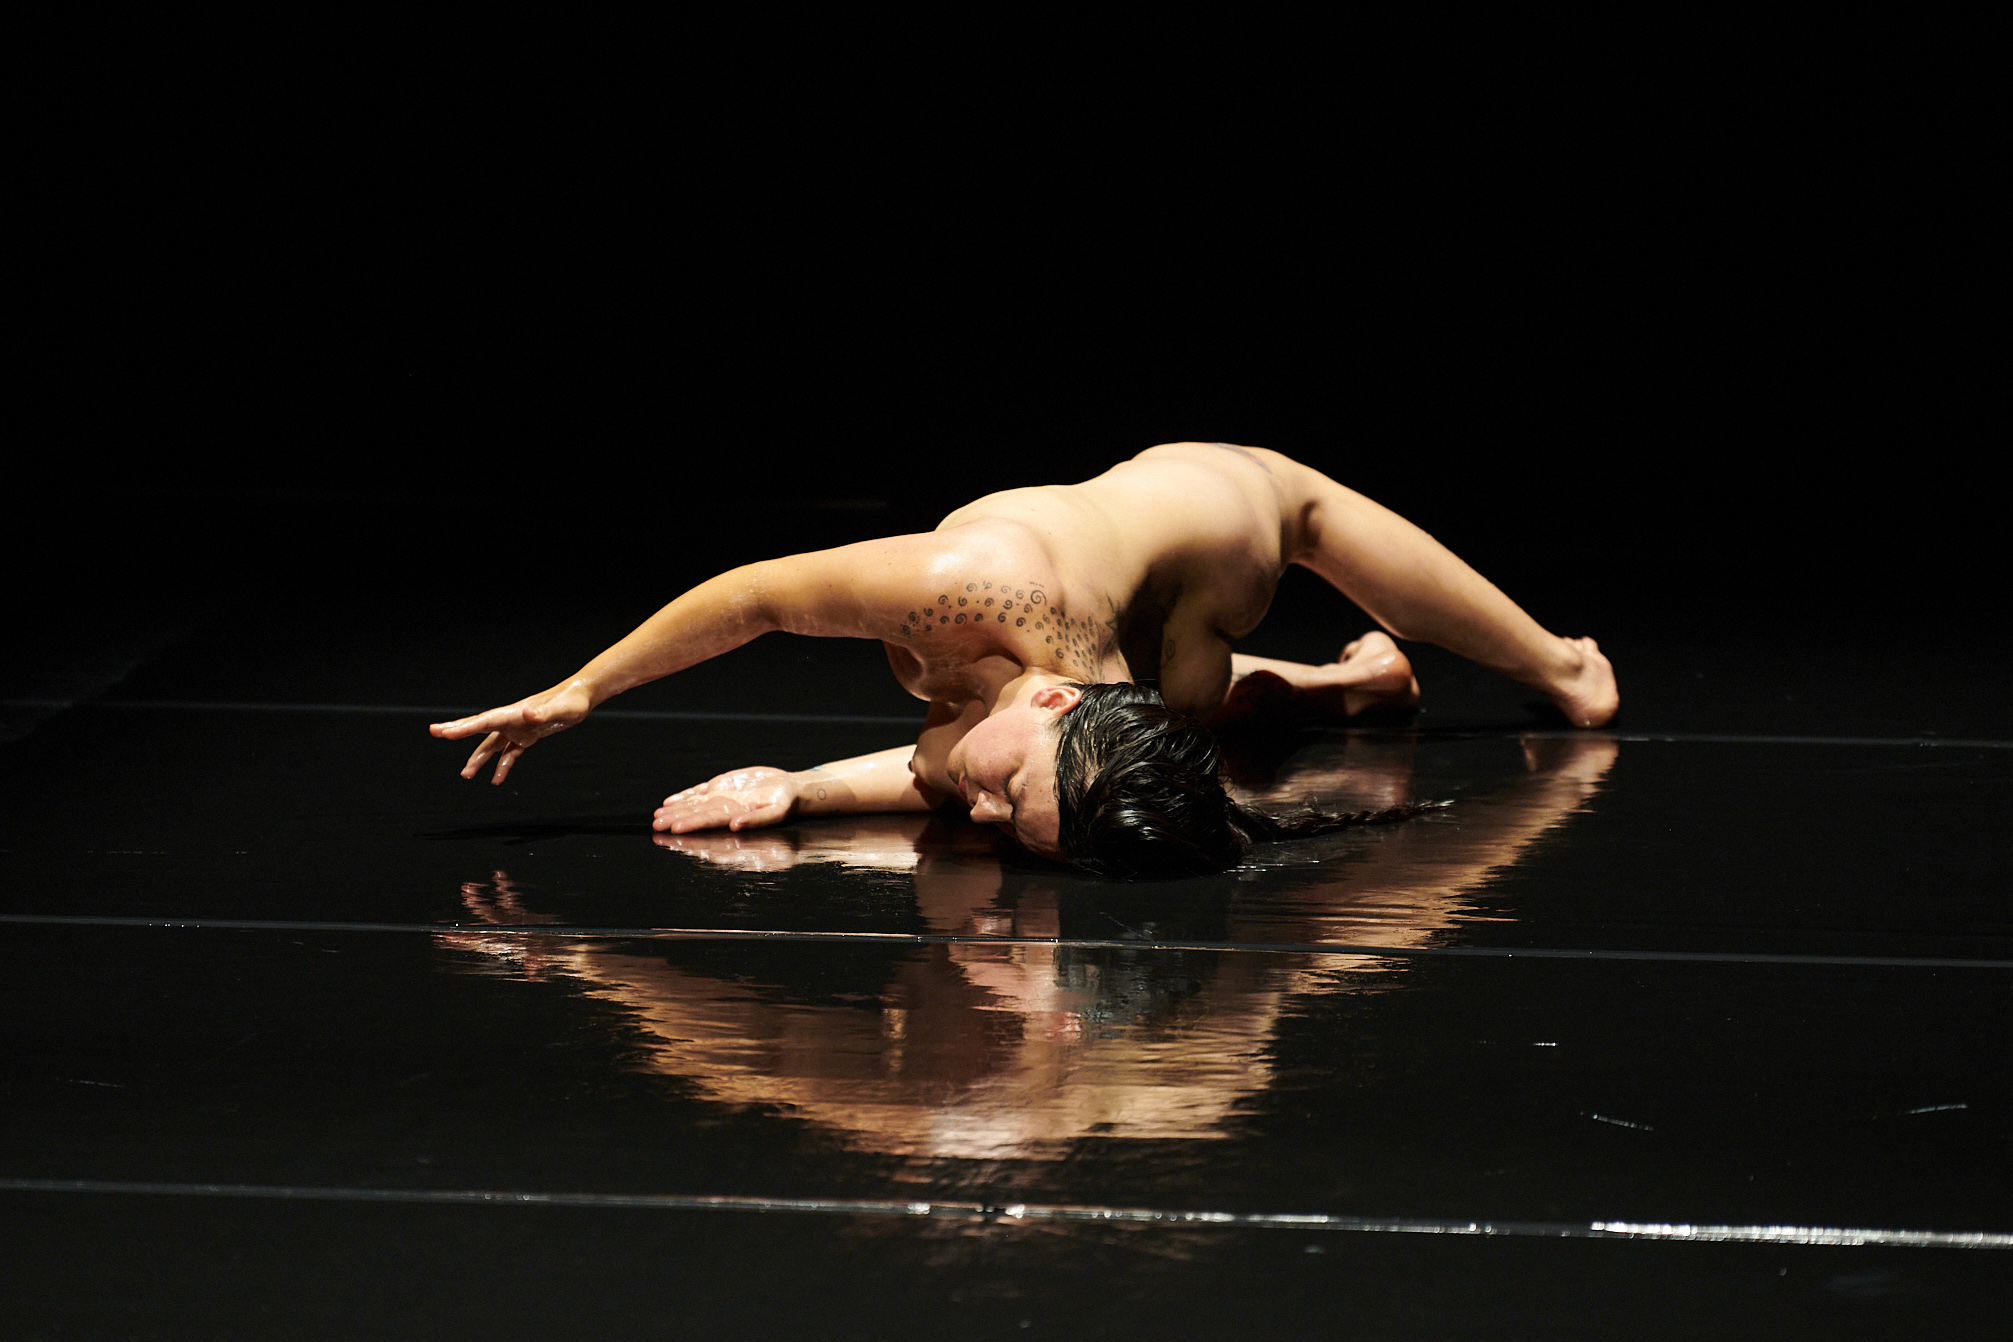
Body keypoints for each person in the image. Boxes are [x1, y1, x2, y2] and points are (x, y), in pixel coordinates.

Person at [430, 443, 1617, 876]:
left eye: (1002, 810)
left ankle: (1458, 674)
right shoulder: (962, 591)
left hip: (1190, 561)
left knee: (1219, 654)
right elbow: (755, 599)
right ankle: (1467, 675)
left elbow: (946, 772)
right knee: (1226, 640)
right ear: (1058, 700)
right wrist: (586, 686)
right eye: (1009, 794)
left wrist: (795, 790)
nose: (979, 813)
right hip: (1184, 536)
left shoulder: (1064, 734)